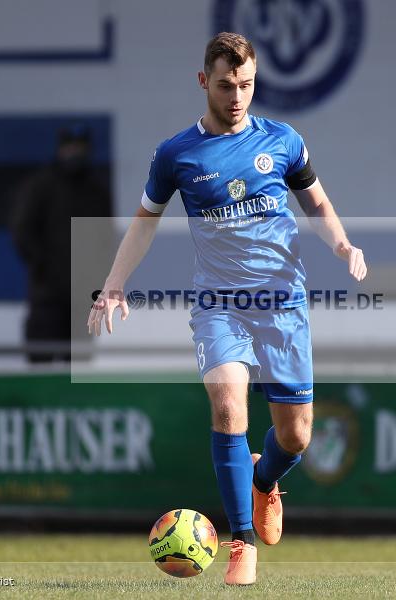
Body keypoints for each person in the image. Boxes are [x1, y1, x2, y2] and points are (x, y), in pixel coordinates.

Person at [87, 32, 366, 585]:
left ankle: (265, 481)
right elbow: (144, 223)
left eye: (246, 84)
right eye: (225, 85)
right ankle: (241, 541)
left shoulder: (283, 141)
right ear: (203, 82)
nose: (237, 96)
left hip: (283, 304)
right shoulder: (177, 154)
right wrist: (114, 284)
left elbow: (317, 201)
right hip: (219, 306)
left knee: (296, 437)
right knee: (228, 407)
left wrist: (341, 243)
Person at [11, 126, 112, 363]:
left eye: (79, 147)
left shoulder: (96, 191)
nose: (74, 153)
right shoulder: (41, 187)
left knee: (77, 365)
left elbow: (105, 239)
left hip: (83, 297)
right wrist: (43, 265)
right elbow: (22, 230)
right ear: (60, 149)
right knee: (41, 360)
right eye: (70, 147)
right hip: (47, 295)